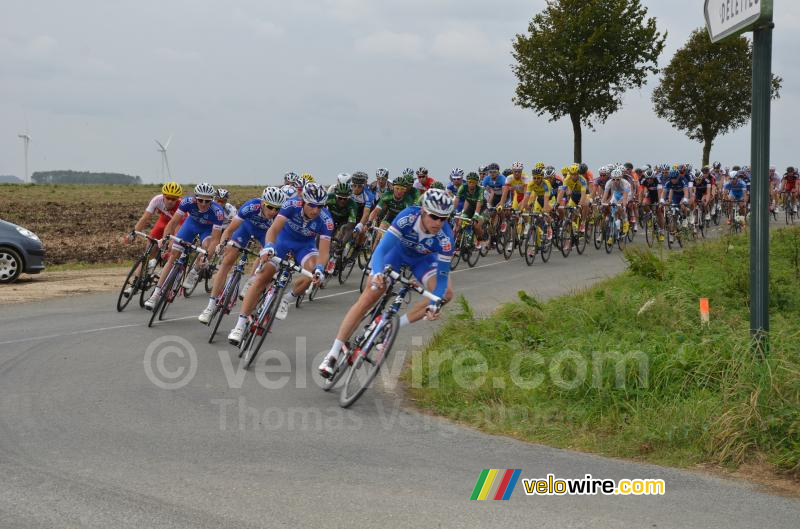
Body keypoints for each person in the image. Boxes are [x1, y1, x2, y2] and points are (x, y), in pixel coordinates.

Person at [318, 189, 455, 378]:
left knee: (446, 294)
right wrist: (377, 274)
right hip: (395, 255)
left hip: (423, 261)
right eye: (434, 216)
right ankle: (332, 354)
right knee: (371, 294)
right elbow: (381, 250)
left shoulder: (446, 238)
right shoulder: (407, 217)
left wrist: (434, 303)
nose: (438, 223)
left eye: (443, 218)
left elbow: (441, 277)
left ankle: (395, 325)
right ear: (423, 211)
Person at [227, 183, 332, 345]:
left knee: (313, 272)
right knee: (263, 276)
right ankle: (240, 325)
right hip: (282, 241)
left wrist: (319, 268)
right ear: (303, 201)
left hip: (305, 247)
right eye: (312, 205)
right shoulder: (291, 206)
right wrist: (269, 246)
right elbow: (274, 229)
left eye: (320, 206)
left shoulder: (326, 220)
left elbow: (324, 252)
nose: (316, 210)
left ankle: (287, 298)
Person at [198, 187, 285, 323]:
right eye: (270, 207)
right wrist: (222, 244)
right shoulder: (250, 207)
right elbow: (230, 229)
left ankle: (256, 291)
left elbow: (278, 239)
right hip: (245, 230)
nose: (273, 211)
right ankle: (210, 306)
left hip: (266, 236)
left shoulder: (279, 217)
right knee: (228, 261)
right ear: (263, 203)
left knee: (269, 265)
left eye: (277, 209)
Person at [144, 183, 225, 309]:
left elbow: (215, 239)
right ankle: (156, 294)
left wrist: (207, 255)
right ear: (195, 198)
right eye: (200, 200)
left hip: (207, 231)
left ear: (212, 200)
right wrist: (165, 239)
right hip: (190, 225)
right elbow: (173, 222)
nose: (203, 203)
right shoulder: (187, 202)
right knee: (172, 257)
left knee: (207, 247)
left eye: (207, 201)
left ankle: (195, 270)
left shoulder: (218, 212)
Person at [122, 181, 183, 296]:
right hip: (163, 222)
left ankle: (168, 275)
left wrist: (170, 244)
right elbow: (145, 218)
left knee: (171, 249)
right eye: (168, 198)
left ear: (177, 199)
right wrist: (133, 234)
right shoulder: (157, 200)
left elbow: (177, 229)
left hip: (177, 225)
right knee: (147, 252)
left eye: (174, 199)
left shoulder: (181, 206)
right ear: (163, 195)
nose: (170, 201)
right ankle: (134, 284)